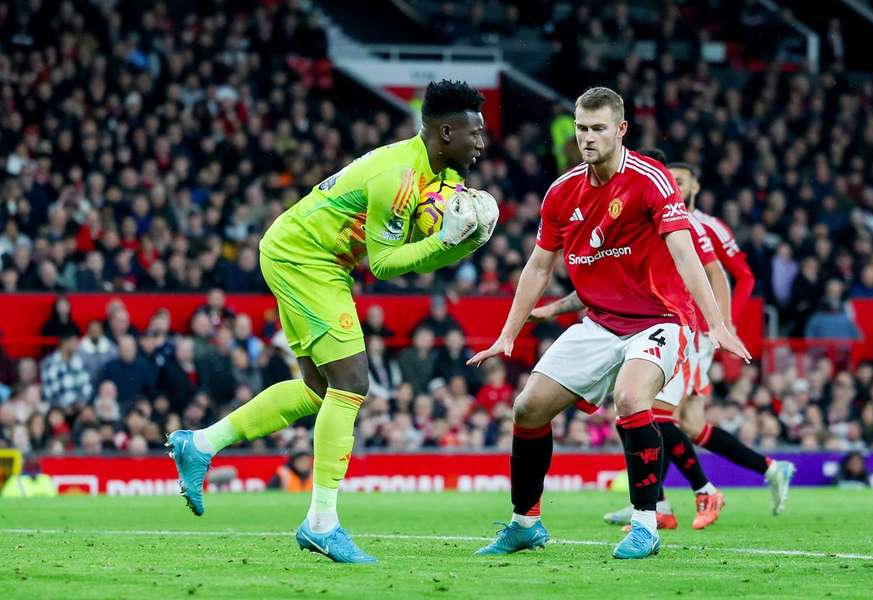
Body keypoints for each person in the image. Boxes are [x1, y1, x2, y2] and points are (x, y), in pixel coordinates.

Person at [166, 80, 499, 563]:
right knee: (352, 382)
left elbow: (420, 253)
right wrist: (446, 243)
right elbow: (385, 265)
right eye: (475, 133)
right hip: (304, 257)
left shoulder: (444, 176)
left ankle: (200, 443)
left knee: (320, 389)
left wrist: (461, 243)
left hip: (317, 259)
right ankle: (321, 523)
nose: (482, 143)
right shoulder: (399, 177)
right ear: (445, 132)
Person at [468, 87, 749, 560]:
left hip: (660, 319)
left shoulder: (651, 178)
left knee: (630, 398)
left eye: (598, 128)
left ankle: (646, 524)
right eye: (581, 128)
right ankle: (525, 523)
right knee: (528, 407)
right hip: (599, 323)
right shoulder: (561, 192)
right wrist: (507, 333)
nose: (587, 137)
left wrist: (718, 324)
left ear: (620, 130)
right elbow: (539, 267)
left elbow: (684, 252)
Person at [538, 161, 795, 527]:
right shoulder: (645, 216)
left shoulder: (694, 225)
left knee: (652, 414)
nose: (672, 184)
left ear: (694, 186)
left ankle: (692, 495)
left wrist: (722, 325)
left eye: (679, 180)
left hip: (686, 329)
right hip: (663, 326)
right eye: (669, 179)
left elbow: (724, 274)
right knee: (686, 423)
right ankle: (757, 472)